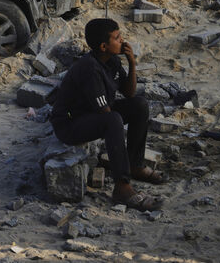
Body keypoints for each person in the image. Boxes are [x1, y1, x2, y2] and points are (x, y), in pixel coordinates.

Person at [50, 18, 164, 211]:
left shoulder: (111, 60)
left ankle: (135, 165)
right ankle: (122, 186)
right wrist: (117, 144)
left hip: (89, 114)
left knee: (140, 105)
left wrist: (132, 63)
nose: (123, 41)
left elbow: (129, 93)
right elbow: (106, 115)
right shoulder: (90, 69)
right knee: (113, 120)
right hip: (69, 125)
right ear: (104, 46)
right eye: (118, 38)